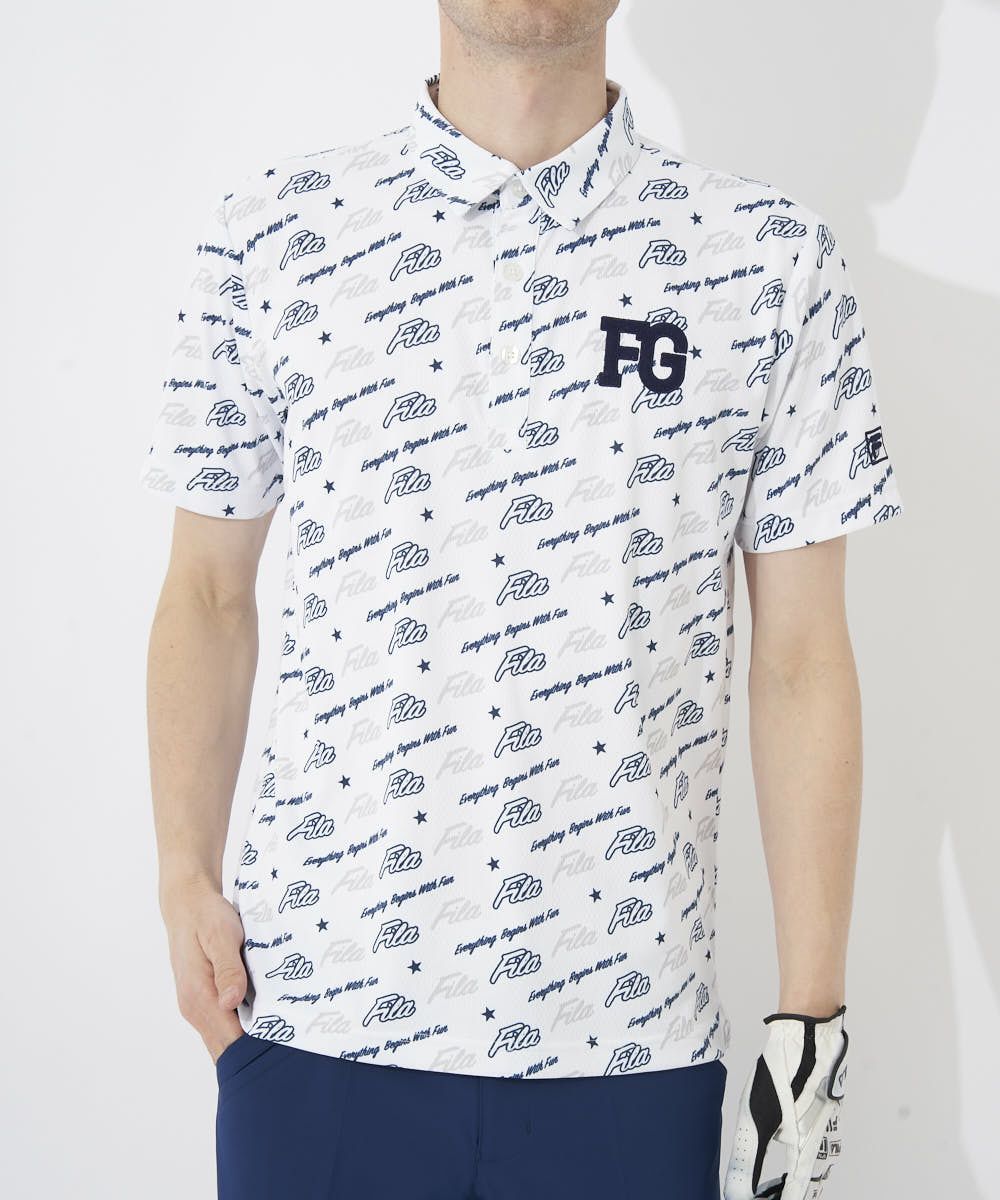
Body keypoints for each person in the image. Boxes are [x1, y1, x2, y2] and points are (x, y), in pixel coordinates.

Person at [140, 2, 903, 1197]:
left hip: (631, 1041)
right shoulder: (275, 235)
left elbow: (801, 658)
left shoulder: (768, 261)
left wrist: (809, 1027)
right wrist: (184, 877)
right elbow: (206, 592)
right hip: (314, 1019)